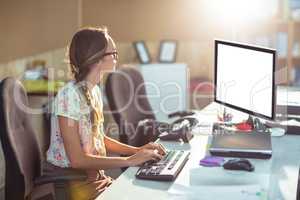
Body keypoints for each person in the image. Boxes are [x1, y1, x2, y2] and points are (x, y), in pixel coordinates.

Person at [46, 27, 166, 199]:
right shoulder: (69, 97)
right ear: (97, 58)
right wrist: (129, 160)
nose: (117, 58)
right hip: (75, 183)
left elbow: (98, 137)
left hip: (95, 178)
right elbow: (77, 160)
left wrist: (137, 150)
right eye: (113, 53)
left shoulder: (93, 90)